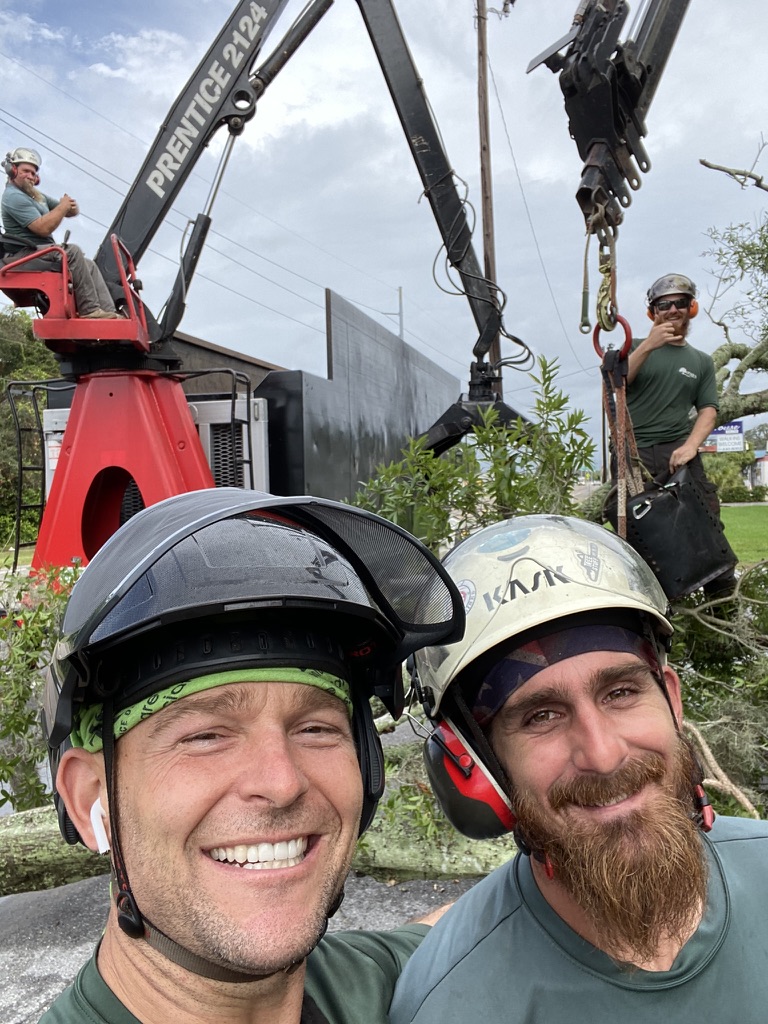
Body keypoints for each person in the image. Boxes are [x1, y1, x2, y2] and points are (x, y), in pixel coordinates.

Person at [40, 486, 465, 1024]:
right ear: (91, 798)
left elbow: (480, 921)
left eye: (315, 728)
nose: (282, 783)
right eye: (206, 737)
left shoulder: (381, 986)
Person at [390, 514, 768, 1023]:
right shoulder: (453, 1007)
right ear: (477, 767)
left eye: (621, 692)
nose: (604, 755)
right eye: (541, 716)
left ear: (672, 702)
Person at [609, 273, 735, 594]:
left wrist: (692, 446)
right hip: (633, 455)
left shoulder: (701, 362)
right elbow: (617, 384)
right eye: (664, 305)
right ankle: (653, 607)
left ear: (691, 308)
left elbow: (708, 409)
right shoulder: (633, 347)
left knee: (707, 526)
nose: (672, 309)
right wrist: (649, 345)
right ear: (652, 312)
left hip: (678, 452)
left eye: (680, 303)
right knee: (638, 534)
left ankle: (721, 609)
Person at [1, 145, 120, 319]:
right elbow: (43, 228)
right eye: (26, 171)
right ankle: (90, 311)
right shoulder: (13, 196)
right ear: (12, 170)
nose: (31, 176)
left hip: (39, 252)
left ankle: (111, 315)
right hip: (22, 256)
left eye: (34, 173)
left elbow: (71, 211)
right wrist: (63, 207)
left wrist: (69, 205)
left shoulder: (36, 196)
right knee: (72, 252)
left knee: (89, 265)